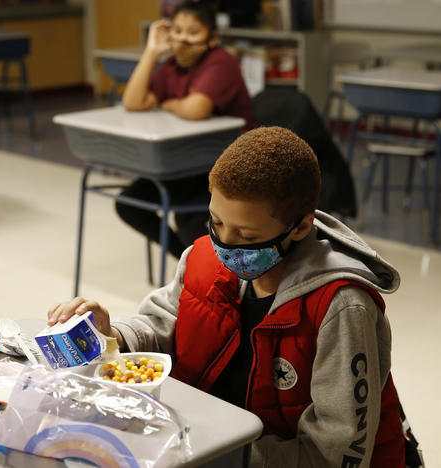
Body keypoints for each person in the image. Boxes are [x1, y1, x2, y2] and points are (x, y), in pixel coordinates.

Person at [48, 126, 408, 467]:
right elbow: (165, 324)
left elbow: (332, 454)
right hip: (210, 445)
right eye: (216, 222)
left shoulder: (341, 307)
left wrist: (218, 449)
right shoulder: (202, 258)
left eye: (247, 236)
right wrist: (115, 337)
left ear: (299, 227)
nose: (225, 245)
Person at [118, 0, 253, 258]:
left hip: (226, 167)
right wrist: (151, 53)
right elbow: (133, 102)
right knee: (128, 203)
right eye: (177, 31)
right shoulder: (172, 65)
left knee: (190, 221)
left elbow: (196, 109)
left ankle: (203, 266)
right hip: (185, 161)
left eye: (193, 33)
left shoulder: (221, 62)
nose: (182, 39)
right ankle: (185, 259)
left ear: (212, 38)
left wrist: (167, 103)